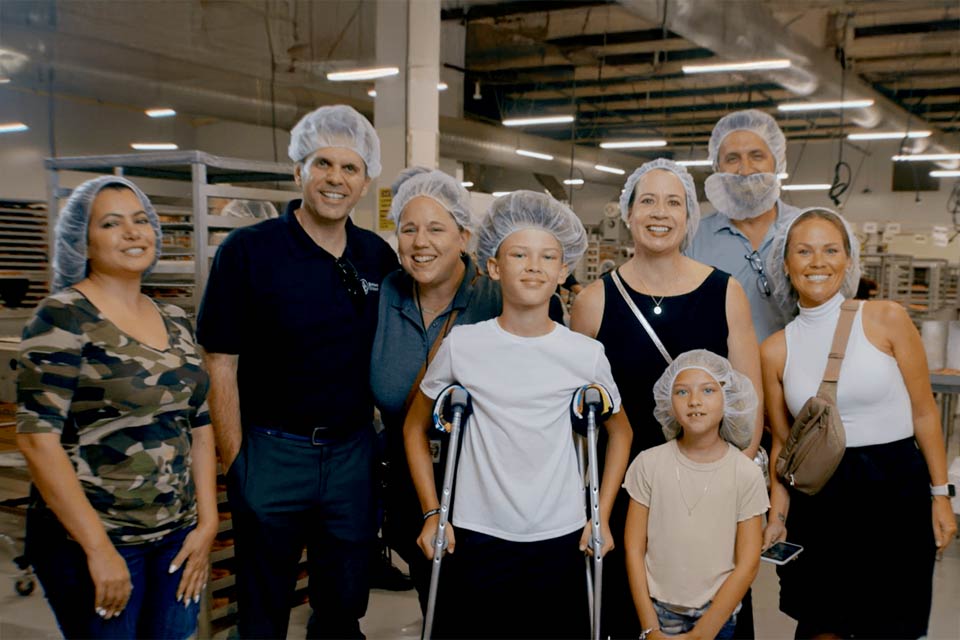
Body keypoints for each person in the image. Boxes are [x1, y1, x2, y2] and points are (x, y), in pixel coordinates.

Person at [196, 105, 399, 639]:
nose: (336, 178)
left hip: (352, 454)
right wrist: (238, 462)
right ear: (298, 172)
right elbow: (220, 360)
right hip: (271, 452)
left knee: (343, 604)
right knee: (262, 610)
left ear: (365, 180)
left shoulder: (376, 257)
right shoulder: (249, 251)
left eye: (350, 168)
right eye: (323, 164)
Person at [404, 191, 633, 638]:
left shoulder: (585, 354)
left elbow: (620, 434)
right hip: (475, 532)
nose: (534, 266)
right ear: (493, 266)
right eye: (519, 254)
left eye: (548, 256)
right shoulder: (464, 345)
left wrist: (601, 514)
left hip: (561, 533)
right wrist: (433, 512)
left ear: (563, 270)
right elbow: (414, 427)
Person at [17, 176, 216, 639]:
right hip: (95, 540)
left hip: (174, 537)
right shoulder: (63, 315)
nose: (133, 232)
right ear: (82, 242)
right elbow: (36, 439)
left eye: (141, 220)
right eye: (111, 223)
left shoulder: (175, 318)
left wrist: (205, 524)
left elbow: (199, 425)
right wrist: (97, 549)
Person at [571, 158, 762, 639]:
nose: (660, 213)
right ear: (629, 213)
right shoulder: (595, 301)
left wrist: (728, 488)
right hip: (625, 491)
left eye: (674, 202)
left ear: (688, 216)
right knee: (629, 618)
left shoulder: (725, 293)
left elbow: (747, 404)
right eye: (648, 201)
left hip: (708, 491)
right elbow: (575, 415)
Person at [761, 208, 956, 639]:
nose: (817, 262)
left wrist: (940, 495)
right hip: (820, 500)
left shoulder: (886, 318)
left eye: (831, 250)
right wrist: (777, 514)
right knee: (820, 626)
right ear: (784, 262)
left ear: (848, 260)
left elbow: (925, 412)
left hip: (895, 492)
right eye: (804, 251)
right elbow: (782, 446)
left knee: (892, 626)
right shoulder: (776, 349)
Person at [370, 167, 500, 611]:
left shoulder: (496, 298)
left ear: (464, 237)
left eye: (436, 228)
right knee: (437, 608)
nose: (420, 242)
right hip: (410, 487)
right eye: (409, 229)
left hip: (487, 488)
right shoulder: (385, 295)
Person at [625, 350, 768, 640]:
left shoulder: (744, 473)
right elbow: (633, 548)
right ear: (668, 401)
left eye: (708, 390)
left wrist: (704, 632)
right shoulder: (648, 464)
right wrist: (650, 626)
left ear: (727, 399)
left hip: (718, 614)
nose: (694, 401)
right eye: (681, 391)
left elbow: (748, 561)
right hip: (658, 612)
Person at [687, 109, 801, 343]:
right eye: (732, 158)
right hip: (720, 373)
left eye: (757, 155)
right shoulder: (693, 238)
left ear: (776, 162)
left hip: (793, 371)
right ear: (717, 167)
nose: (745, 169)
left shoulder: (804, 228)